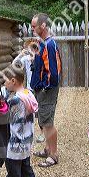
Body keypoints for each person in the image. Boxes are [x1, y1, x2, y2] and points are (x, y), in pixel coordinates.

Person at [0, 66, 42, 177]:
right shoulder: (28, 93)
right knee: (25, 169)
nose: (4, 84)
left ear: (13, 81)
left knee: (13, 173)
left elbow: (13, 123)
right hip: (26, 141)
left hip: (15, 144)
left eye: (5, 81)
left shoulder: (16, 101)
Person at [30, 13, 62, 168]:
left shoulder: (49, 45)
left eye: (34, 26)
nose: (32, 28)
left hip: (46, 90)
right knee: (43, 120)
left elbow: (53, 71)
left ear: (43, 26)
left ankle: (54, 155)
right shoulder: (41, 43)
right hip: (39, 88)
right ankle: (48, 149)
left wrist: (44, 87)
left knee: (48, 123)